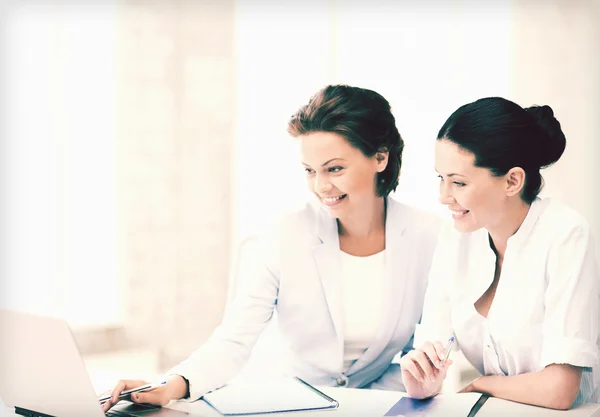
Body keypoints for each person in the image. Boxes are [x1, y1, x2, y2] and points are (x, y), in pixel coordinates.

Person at [102, 85, 442, 411]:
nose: (321, 186)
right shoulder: (281, 237)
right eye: (310, 171)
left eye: (335, 169)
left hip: (383, 407)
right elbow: (234, 340)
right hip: (290, 405)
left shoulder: (428, 237)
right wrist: (170, 384)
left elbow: (427, 349)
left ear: (380, 158)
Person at [400, 97, 599, 410]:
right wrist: (423, 381)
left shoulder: (566, 234)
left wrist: (483, 384)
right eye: (441, 178)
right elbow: (431, 351)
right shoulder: (456, 235)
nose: (443, 197)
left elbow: (560, 388)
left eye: (458, 182)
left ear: (512, 181)